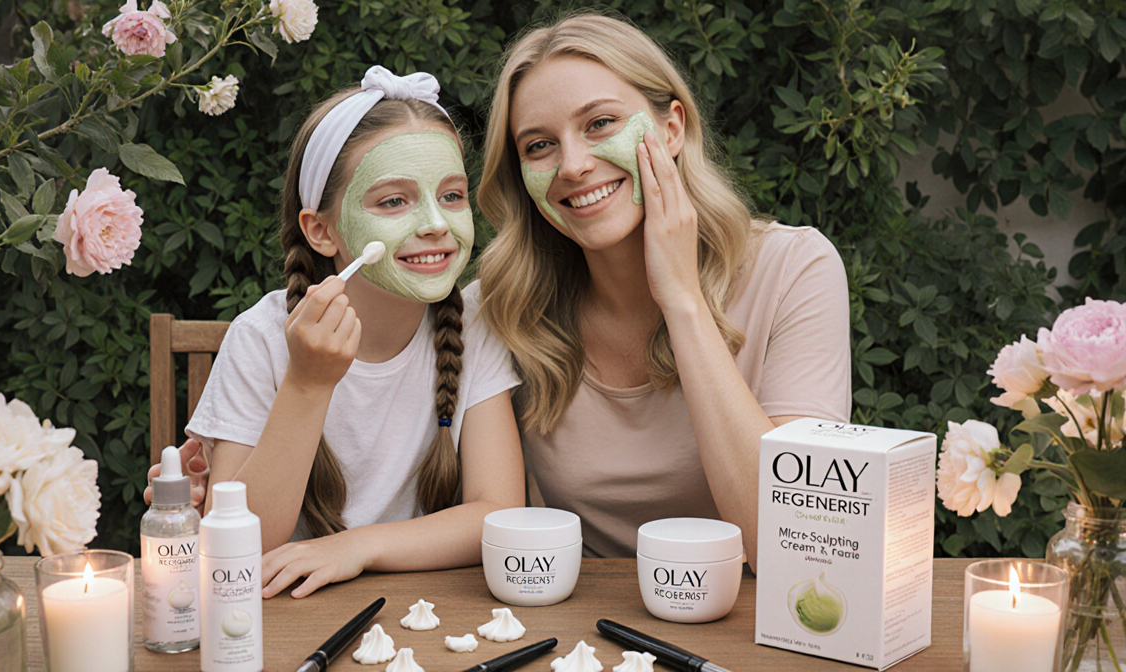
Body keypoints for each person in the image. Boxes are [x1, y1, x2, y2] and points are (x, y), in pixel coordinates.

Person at [475, 13, 851, 570]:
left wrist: (682, 300)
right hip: (587, 629)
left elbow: (792, 540)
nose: (574, 165)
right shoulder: (502, 307)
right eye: (538, 146)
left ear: (672, 129)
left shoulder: (796, 269)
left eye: (600, 123)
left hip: (757, 627)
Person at [150, 66, 524, 598]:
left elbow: (500, 514)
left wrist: (357, 547)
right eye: (394, 201)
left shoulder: (473, 324)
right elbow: (237, 552)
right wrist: (308, 383)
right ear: (322, 231)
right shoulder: (260, 338)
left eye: (452, 195)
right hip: (288, 618)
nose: (436, 224)